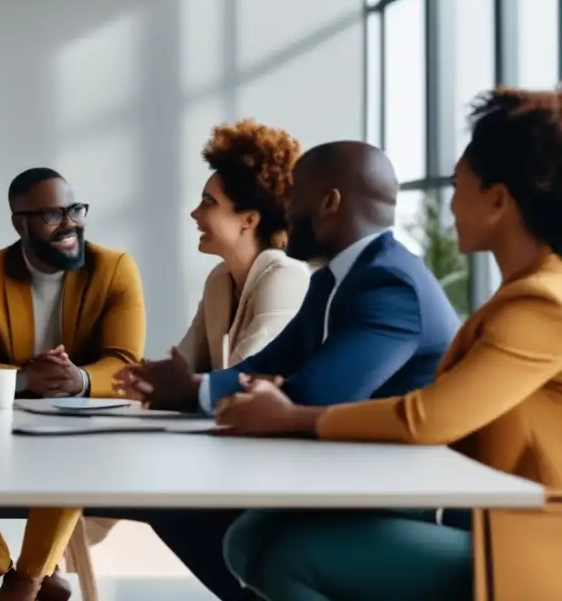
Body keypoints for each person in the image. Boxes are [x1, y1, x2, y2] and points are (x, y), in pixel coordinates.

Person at [219, 87, 562, 601]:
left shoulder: (543, 305)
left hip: (532, 538)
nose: (448, 202)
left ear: (498, 201)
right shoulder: (521, 296)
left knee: (297, 555)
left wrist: (290, 417)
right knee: (251, 535)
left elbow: (429, 418)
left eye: (457, 185)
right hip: (475, 507)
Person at [112, 140, 460, 599]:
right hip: (344, 469)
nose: (285, 208)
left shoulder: (390, 283)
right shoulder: (333, 280)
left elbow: (316, 394)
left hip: (406, 493)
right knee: (228, 532)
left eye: (294, 194)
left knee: (215, 521)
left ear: (329, 201)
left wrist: (210, 391)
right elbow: (267, 366)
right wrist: (191, 387)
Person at [0, 167, 145, 601]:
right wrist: (28, 376)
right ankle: (10, 571)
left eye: (75, 209)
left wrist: (80, 378)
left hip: (81, 435)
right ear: (21, 223)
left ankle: (25, 581)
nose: (71, 223)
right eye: (53, 215)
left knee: (69, 456)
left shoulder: (114, 269)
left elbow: (125, 362)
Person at [176, 119, 309, 371]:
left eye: (208, 202)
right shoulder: (219, 280)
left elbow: (245, 376)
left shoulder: (287, 277)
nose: (195, 213)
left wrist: (173, 384)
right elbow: (182, 366)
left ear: (249, 220)